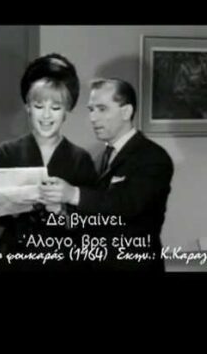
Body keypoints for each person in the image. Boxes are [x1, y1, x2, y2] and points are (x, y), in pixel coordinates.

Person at [39, 78, 174, 272]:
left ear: (126, 112)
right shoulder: (100, 157)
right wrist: (62, 211)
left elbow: (128, 205)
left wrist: (73, 194)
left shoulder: (153, 157)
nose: (93, 118)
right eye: (91, 110)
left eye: (102, 109)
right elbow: (97, 214)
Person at [0, 53, 97, 272]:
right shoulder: (7, 152)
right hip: (18, 259)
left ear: (66, 111)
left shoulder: (81, 159)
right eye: (39, 106)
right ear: (28, 107)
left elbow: (92, 221)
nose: (46, 116)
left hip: (66, 262)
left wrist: (62, 211)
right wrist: (17, 203)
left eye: (55, 108)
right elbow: (0, 216)